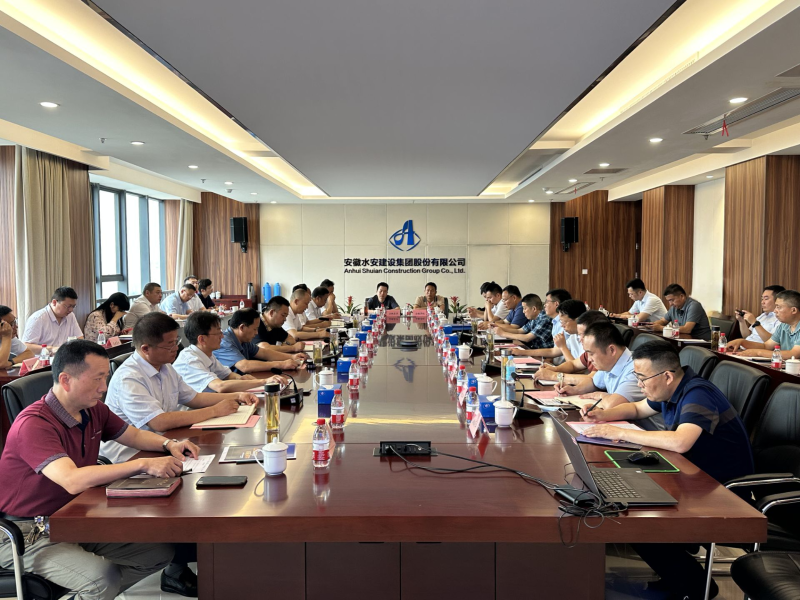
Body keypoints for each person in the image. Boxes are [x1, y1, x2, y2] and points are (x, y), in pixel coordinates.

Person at [0, 340, 200, 600]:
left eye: (105, 377)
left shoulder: (92, 410)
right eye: (97, 379)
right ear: (66, 380)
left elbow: (134, 436)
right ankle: (95, 589)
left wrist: (169, 444)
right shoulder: (34, 424)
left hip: (72, 519)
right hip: (25, 533)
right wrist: (142, 464)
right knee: (101, 579)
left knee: (157, 554)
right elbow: (71, 480)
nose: (104, 387)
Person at [581, 342, 753, 599]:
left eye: (642, 378)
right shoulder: (671, 389)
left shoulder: (697, 394)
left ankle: (693, 588)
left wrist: (618, 432)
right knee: (625, 497)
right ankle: (677, 580)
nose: (639, 384)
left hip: (721, 491)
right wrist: (604, 415)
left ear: (667, 376)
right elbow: (638, 408)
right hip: (691, 477)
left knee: (636, 518)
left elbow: (681, 442)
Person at [102, 312, 258, 464]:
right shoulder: (129, 378)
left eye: (176, 341)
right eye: (170, 345)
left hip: (164, 442)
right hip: (130, 456)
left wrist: (237, 396)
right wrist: (214, 411)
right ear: (145, 349)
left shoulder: (166, 367)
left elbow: (195, 398)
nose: (176, 348)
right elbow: (159, 422)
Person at [174, 312, 287, 393]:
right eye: (218, 333)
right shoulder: (190, 360)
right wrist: (264, 381)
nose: (222, 336)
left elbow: (228, 375)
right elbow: (220, 386)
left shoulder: (208, 354)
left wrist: (241, 378)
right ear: (202, 339)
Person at [553, 321, 643, 407]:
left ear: (611, 350)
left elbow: (613, 404)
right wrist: (574, 389)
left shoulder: (636, 370)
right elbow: (594, 382)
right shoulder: (610, 362)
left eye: (591, 354)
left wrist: (599, 395)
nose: (589, 359)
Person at [214, 308, 306, 374]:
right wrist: (281, 364)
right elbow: (245, 366)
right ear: (242, 327)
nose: (256, 333)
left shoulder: (243, 340)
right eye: (254, 329)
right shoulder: (225, 342)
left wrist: (292, 357)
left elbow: (264, 353)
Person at [533, 310, 608, 380]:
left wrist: (554, 375)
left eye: (583, 335)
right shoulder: (588, 352)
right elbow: (573, 364)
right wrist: (554, 369)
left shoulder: (602, 353)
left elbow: (591, 379)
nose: (580, 339)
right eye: (579, 335)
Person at [726, 289, 800, 358]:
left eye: (778, 307)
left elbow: (794, 354)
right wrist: (742, 342)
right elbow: (766, 346)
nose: (775, 311)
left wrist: (758, 353)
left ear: (793, 310)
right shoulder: (784, 326)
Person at [511, 289, 572, 361]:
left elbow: (555, 351)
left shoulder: (564, 325)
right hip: (552, 362)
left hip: (561, 365)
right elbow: (554, 351)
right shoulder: (555, 322)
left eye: (547, 301)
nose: (544, 305)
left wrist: (523, 352)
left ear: (556, 304)